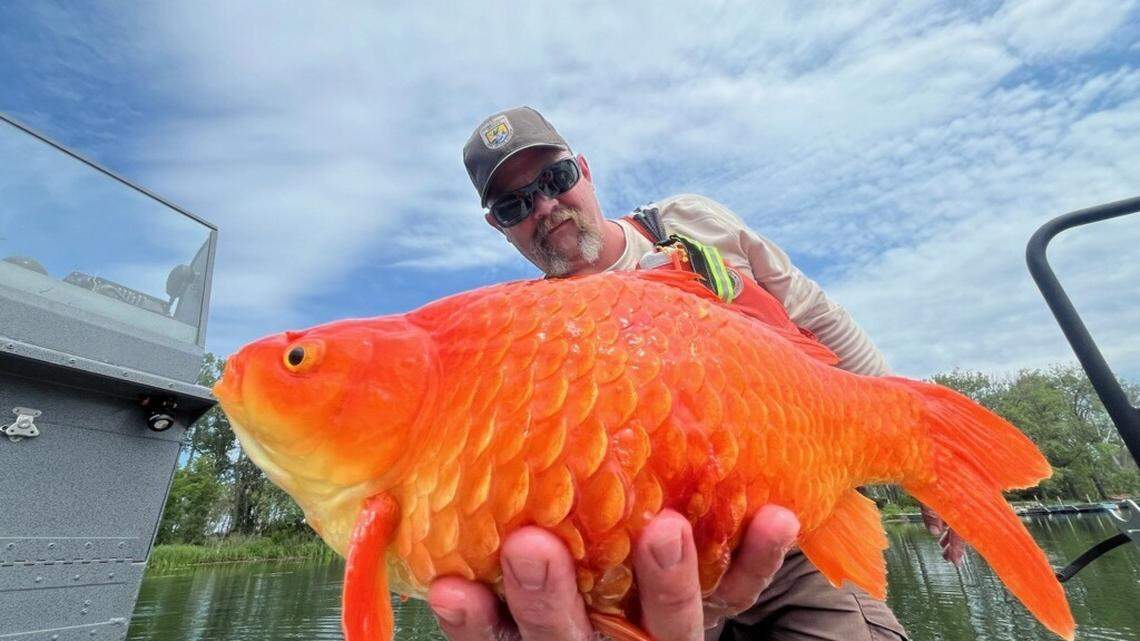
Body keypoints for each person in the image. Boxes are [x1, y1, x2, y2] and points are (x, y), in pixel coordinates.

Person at [435, 106, 963, 641]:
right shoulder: (525, 337)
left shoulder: (688, 223)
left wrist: (918, 445)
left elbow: (814, 315)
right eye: (514, 204)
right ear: (498, 227)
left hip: (793, 539)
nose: (545, 206)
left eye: (555, 178)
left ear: (585, 170)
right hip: (647, 579)